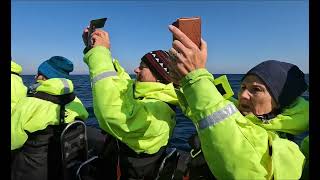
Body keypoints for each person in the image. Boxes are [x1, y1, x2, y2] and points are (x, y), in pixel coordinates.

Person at [167, 24, 308, 179]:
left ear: (279, 102)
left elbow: (238, 161)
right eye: (243, 87)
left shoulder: (286, 150)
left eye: (256, 89)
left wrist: (196, 79)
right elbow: (200, 114)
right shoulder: (232, 114)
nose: (243, 95)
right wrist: (182, 84)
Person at [81, 28, 182, 179]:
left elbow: (112, 113)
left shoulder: (158, 110)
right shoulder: (144, 93)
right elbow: (122, 82)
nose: (135, 69)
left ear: (159, 76)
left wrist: (100, 54)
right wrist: (95, 49)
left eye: (142, 67)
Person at [11, 56, 89, 180]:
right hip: (63, 165)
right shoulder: (76, 101)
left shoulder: (28, 103)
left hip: (31, 170)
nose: (35, 77)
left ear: (44, 77)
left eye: (38, 74)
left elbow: (13, 141)